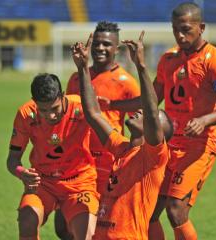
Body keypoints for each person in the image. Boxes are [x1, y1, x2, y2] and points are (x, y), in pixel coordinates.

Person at [108, 2, 216, 239]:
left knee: (176, 211)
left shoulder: (215, 59)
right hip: (167, 145)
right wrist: (112, 104)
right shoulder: (168, 59)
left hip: (198, 146)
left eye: (186, 29)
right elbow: (151, 100)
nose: (180, 35)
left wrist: (204, 120)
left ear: (201, 27)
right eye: (176, 29)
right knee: (151, 210)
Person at [72, 31, 173, 239]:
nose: (141, 111)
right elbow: (93, 115)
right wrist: (83, 68)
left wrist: (141, 67)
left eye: (148, 115)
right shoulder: (123, 148)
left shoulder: (153, 158)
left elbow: (152, 111)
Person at [55, 21, 140, 239]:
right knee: (63, 227)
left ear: (116, 48)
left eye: (106, 44)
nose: (100, 48)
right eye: (97, 44)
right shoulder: (77, 78)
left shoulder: (126, 83)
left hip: (107, 162)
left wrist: (130, 162)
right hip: (76, 160)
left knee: (96, 225)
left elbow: (138, 125)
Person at [6, 73, 99, 240]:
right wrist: (22, 173)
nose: (50, 116)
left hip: (79, 182)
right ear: (34, 101)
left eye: (54, 108)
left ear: (62, 96)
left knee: (86, 234)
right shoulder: (26, 114)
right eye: (43, 110)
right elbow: (13, 158)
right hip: (44, 182)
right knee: (27, 220)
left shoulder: (81, 107)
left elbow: (107, 135)